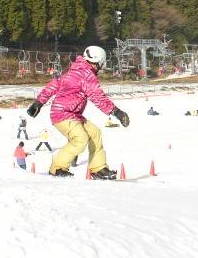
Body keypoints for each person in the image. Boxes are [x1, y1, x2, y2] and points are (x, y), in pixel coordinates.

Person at [26, 46, 129, 179]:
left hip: (73, 115)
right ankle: (57, 168)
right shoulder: (87, 75)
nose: (102, 67)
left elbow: (54, 85)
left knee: (95, 133)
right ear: (99, 62)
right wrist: (117, 112)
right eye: (102, 65)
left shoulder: (74, 71)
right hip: (63, 114)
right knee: (80, 139)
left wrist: (39, 103)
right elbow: (98, 97)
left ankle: (98, 168)